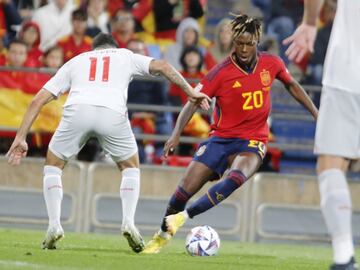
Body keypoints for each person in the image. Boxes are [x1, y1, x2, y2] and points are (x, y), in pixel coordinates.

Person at [6, 33, 210, 253]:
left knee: (53, 166)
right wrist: (190, 91)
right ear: (114, 46)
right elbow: (163, 66)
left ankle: (54, 225)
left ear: (94, 49)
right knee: (130, 167)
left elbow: (38, 99)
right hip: (112, 113)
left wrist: (20, 137)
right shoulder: (125, 55)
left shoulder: (76, 61)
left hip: (77, 111)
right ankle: (128, 222)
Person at [142, 14, 318, 254]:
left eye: (249, 43)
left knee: (237, 177)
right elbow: (192, 101)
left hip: (254, 139)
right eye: (239, 43)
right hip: (221, 139)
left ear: (257, 41)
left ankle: (185, 216)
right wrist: (175, 134)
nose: (244, 49)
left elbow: (293, 86)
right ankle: (162, 236)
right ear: (233, 42)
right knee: (184, 189)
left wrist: (317, 114)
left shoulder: (272, 63)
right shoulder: (220, 72)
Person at [283, 0, 360, 269]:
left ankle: (343, 255)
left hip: (347, 72)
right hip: (346, 72)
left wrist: (310, 22)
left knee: (332, 163)